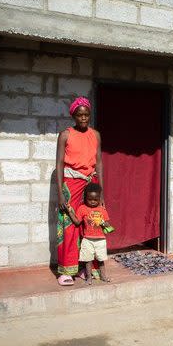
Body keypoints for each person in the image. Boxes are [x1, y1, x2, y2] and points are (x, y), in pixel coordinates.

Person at [56, 97, 104, 286]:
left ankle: (87, 268)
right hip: (71, 185)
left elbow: (99, 163)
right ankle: (66, 270)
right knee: (69, 224)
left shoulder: (96, 135)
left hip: (90, 184)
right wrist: (60, 193)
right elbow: (59, 163)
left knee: (90, 223)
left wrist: (102, 193)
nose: (83, 118)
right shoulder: (65, 135)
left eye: (86, 115)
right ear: (74, 116)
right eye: (79, 115)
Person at [65, 182, 114, 285]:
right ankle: (89, 278)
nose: (92, 202)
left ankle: (103, 276)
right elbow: (77, 222)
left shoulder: (102, 209)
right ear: (85, 197)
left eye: (95, 200)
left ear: (99, 198)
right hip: (87, 239)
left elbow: (108, 225)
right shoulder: (82, 208)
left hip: (100, 240)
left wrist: (104, 223)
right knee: (88, 260)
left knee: (101, 259)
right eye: (90, 199)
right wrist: (70, 211)